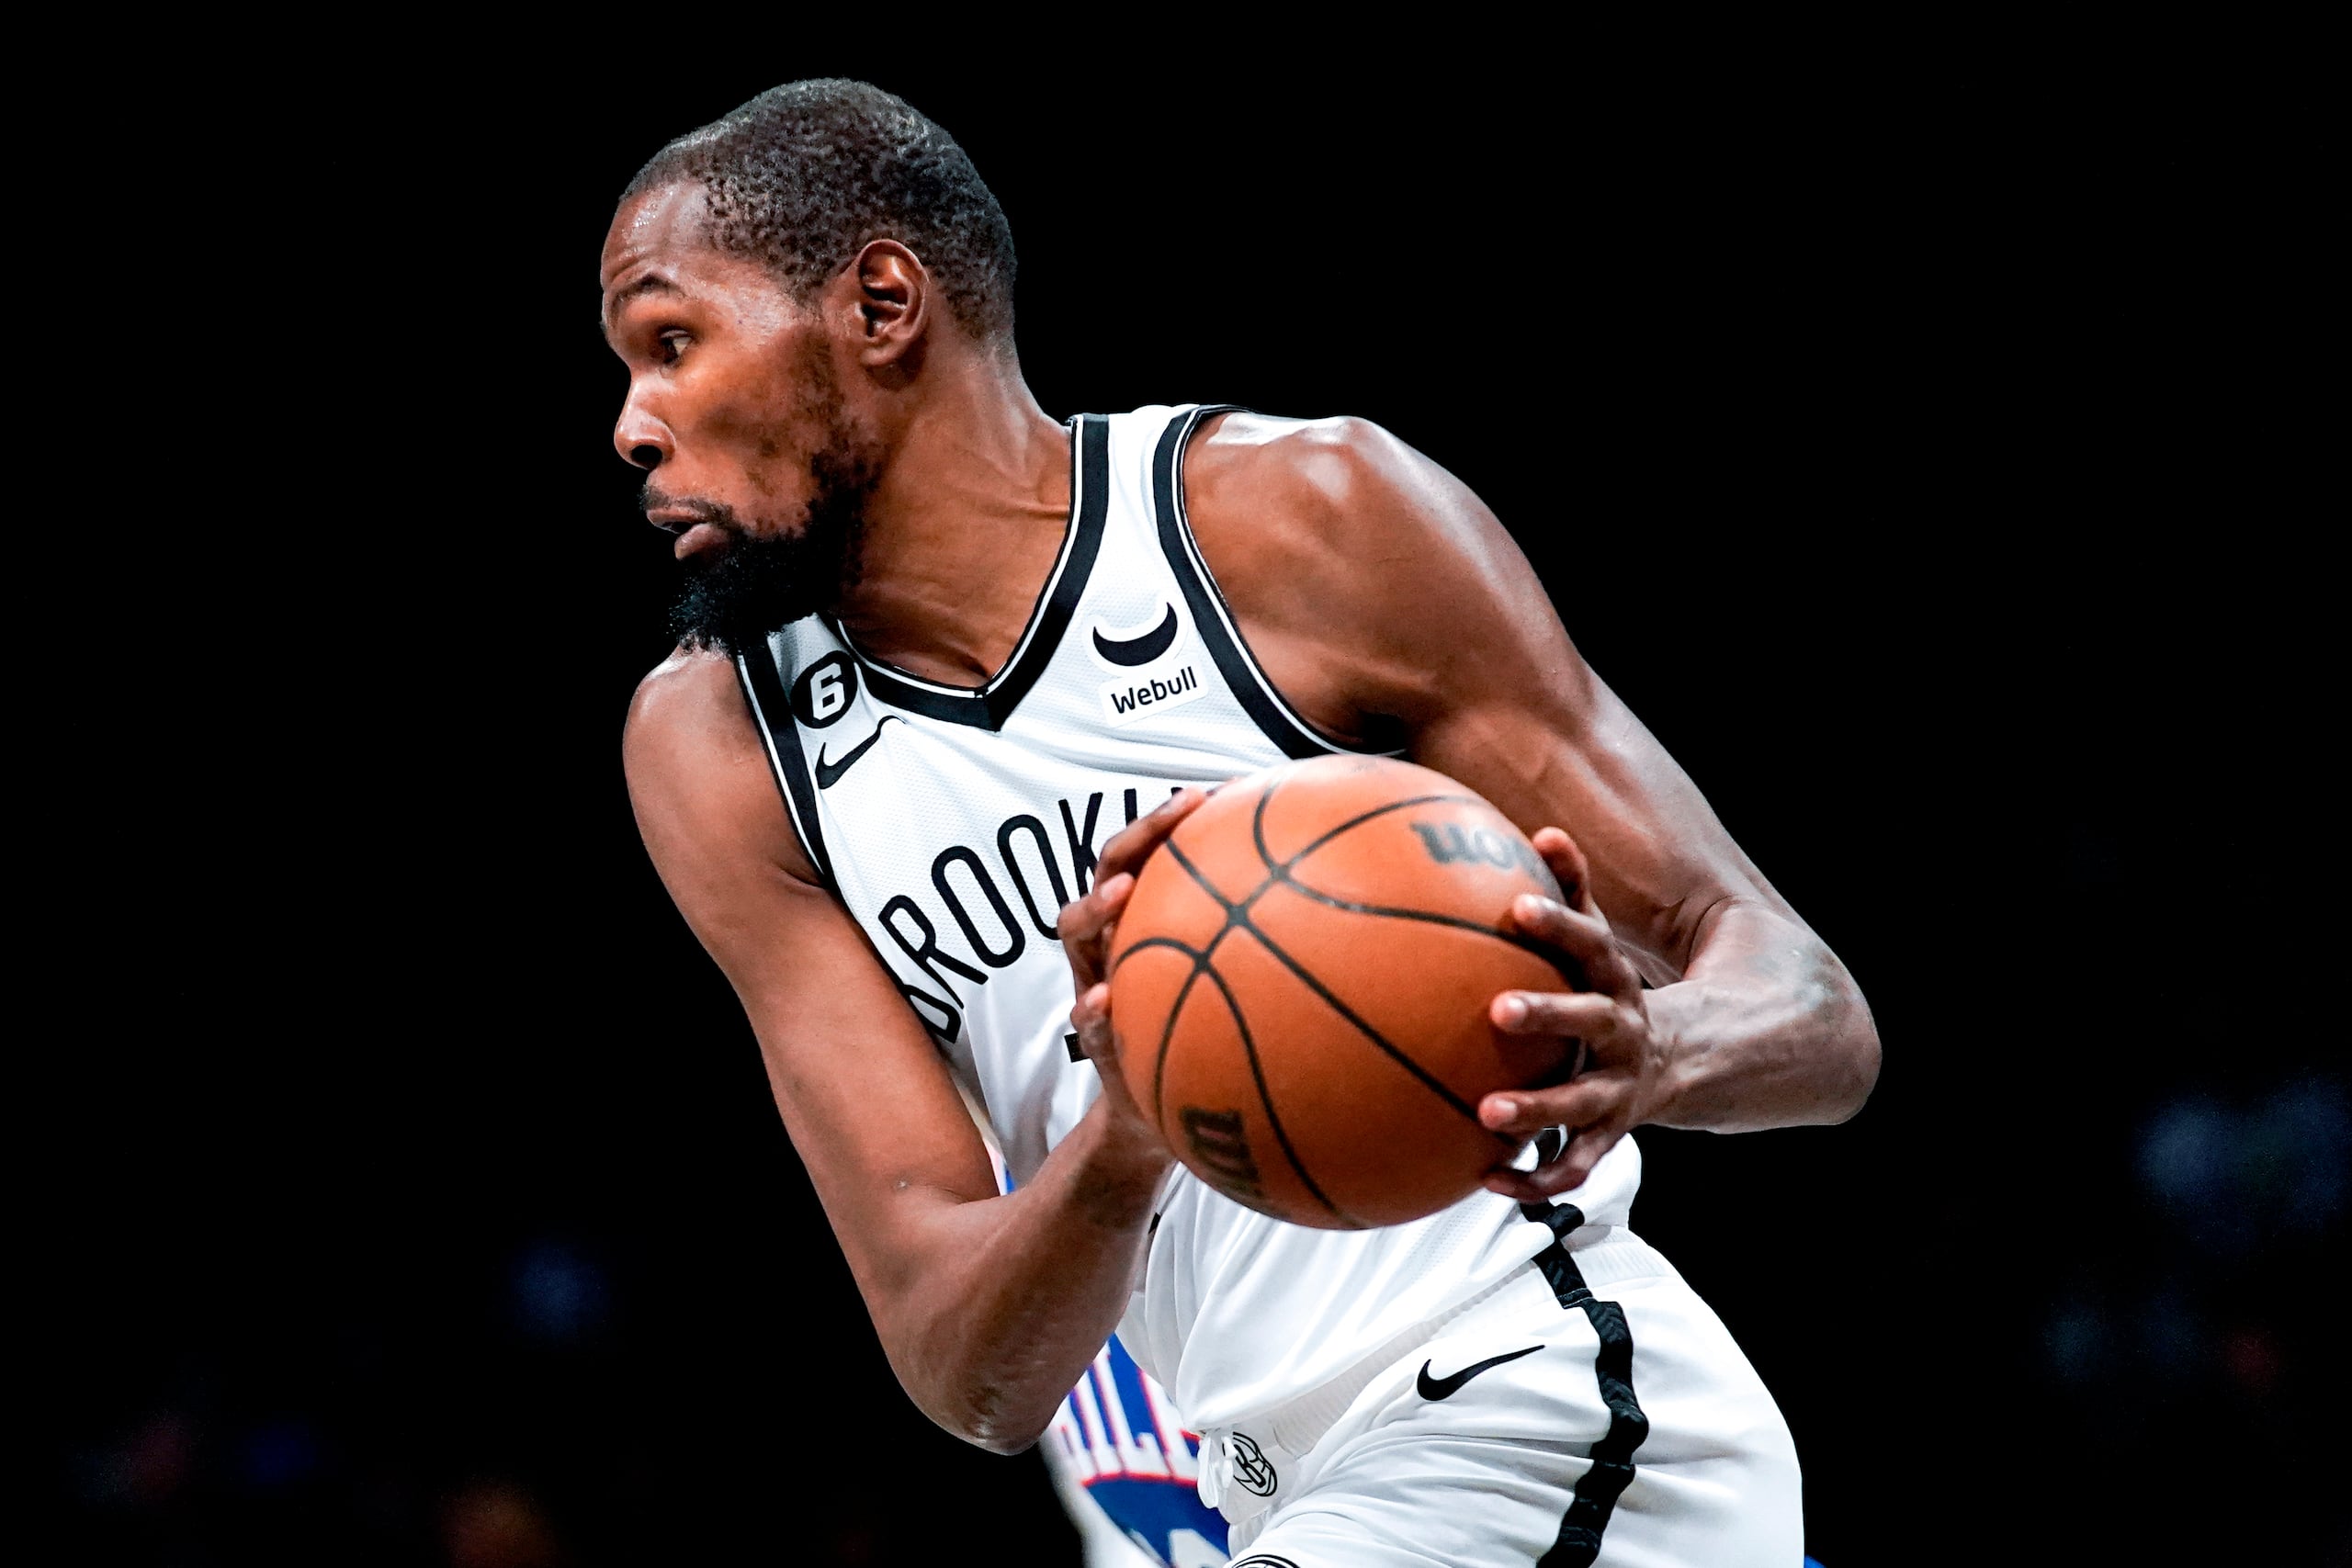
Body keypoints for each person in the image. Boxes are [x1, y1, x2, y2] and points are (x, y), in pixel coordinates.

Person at [611, 80, 1879, 1567]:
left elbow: (1816, 1013)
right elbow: (966, 1376)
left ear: (883, 304)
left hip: (1537, 1403)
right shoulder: (725, 749)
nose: (633, 426)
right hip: (1254, 1485)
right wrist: (1129, 1129)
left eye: (672, 344)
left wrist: (1654, 1051)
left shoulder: (1298, 525)